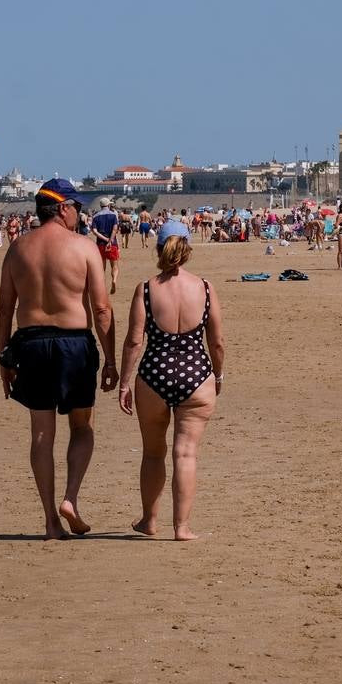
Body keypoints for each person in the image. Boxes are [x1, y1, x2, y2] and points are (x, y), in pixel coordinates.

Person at [0, 179, 118, 541]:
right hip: (73, 344)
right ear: (63, 208)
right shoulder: (82, 247)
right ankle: (70, 499)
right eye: (77, 207)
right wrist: (109, 360)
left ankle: (51, 521)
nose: (80, 214)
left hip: (30, 344)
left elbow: (5, 311)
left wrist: (4, 358)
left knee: (41, 434)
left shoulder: (18, 249)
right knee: (82, 427)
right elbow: (101, 308)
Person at [117, 220, 225, 542]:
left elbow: (134, 342)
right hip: (196, 376)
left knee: (153, 453)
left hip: (153, 376)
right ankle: (182, 528)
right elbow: (216, 342)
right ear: (187, 248)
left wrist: (124, 383)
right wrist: (218, 375)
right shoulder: (204, 288)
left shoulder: (147, 289)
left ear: (158, 249)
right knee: (186, 453)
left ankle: (150, 520)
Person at [89, 203, 121, 294]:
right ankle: (114, 280)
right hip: (112, 244)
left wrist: (104, 239)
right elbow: (115, 229)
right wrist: (110, 240)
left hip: (100, 244)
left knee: (101, 268)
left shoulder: (95, 216)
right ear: (108, 205)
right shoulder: (113, 215)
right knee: (114, 266)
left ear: (100, 205)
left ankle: (101, 286)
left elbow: (94, 231)